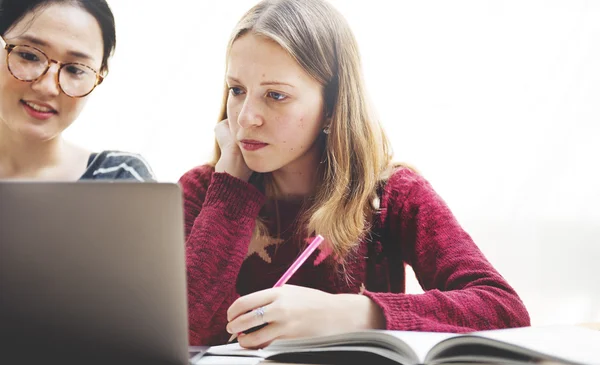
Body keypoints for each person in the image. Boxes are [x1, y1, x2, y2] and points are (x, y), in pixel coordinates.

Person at [180, 0, 530, 348]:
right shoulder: (201, 192)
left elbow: (504, 311)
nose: (245, 118)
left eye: (275, 95)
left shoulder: (391, 196)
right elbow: (182, 331)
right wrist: (230, 193)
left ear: (332, 107)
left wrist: (354, 314)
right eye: (237, 90)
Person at [0, 0, 154, 181]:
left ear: (100, 75)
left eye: (75, 70)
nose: (48, 88)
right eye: (29, 56)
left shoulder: (120, 180)